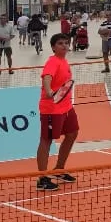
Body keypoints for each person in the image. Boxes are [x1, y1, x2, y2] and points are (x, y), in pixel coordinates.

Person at [36, 33, 80, 191]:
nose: (64, 46)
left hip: (66, 106)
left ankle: (59, 169)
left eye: (66, 43)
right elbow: (47, 76)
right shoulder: (52, 62)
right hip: (51, 108)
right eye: (60, 43)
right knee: (46, 140)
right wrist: (48, 90)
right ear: (54, 47)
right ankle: (42, 178)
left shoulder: (64, 61)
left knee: (72, 133)